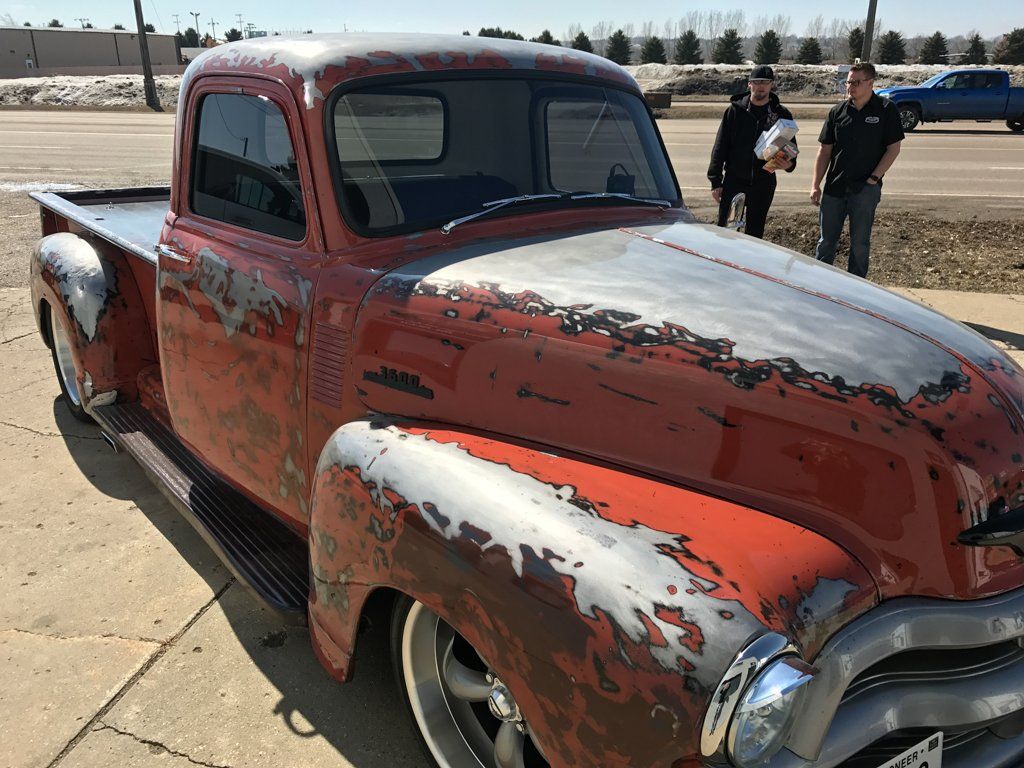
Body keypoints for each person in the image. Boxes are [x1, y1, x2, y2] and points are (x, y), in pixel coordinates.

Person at [811, 61, 904, 278]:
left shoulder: (885, 110)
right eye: (848, 82)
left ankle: (857, 287)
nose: (850, 86)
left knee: (860, 244)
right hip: (835, 188)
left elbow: (893, 148)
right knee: (826, 242)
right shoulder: (838, 112)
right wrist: (815, 184)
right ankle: (820, 283)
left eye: (856, 82)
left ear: (870, 83)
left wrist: (874, 178)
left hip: (864, 189)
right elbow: (825, 151)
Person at [707, 65, 796, 239]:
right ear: (749, 85)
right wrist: (715, 181)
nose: (761, 86)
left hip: (763, 183)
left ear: (772, 85)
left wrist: (789, 164)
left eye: (765, 82)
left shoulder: (781, 114)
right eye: (756, 82)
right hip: (734, 181)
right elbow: (720, 146)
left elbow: (790, 149)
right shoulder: (734, 111)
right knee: (727, 232)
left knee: (755, 235)